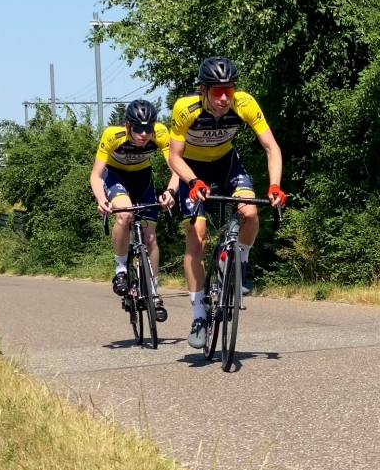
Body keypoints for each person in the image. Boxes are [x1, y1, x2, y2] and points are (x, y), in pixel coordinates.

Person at [167, 56, 286, 348]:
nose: (223, 98)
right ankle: (198, 314)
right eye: (217, 91)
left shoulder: (245, 104)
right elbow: (174, 156)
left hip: (226, 162)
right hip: (193, 169)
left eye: (228, 90)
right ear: (203, 90)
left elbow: (271, 147)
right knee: (196, 239)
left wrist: (274, 185)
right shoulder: (186, 109)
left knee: (251, 212)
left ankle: (241, 261)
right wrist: (193, 181)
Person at [89, 99, 179, 323]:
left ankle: (154, 293)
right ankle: (121, 270)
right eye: (138, 128)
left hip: (142, 179)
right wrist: (101, 199)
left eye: (148, 128)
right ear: (128, 126)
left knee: (150, 238)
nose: (144, 134)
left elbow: (177, 166)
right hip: (116, 177)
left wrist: (171, 192)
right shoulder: (113, 135)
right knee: (124, 214)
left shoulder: (160, 133)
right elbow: (96, 174)